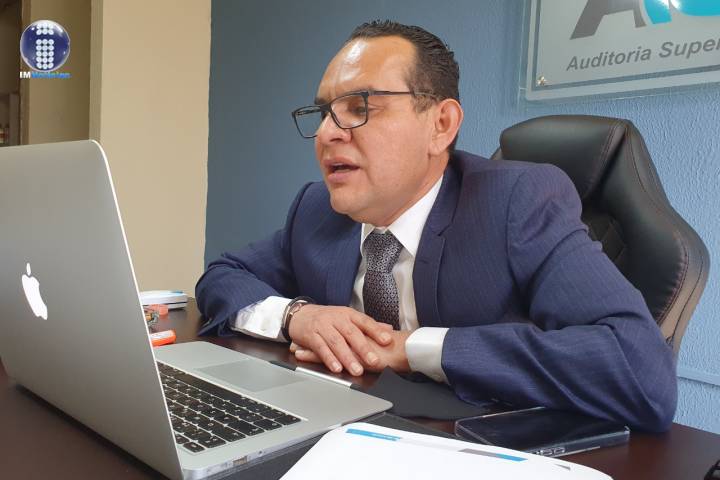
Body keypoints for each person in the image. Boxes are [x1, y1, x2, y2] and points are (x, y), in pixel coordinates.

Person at [196, 20, 677, 432]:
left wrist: (411, 349)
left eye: (359, 107)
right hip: (344, 431)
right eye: (324, 112)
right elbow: (222, 277)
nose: (326, 134)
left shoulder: (516, 204)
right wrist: (298, 317)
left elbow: (639, 370)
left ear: (441, 125)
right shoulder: (317, 208)